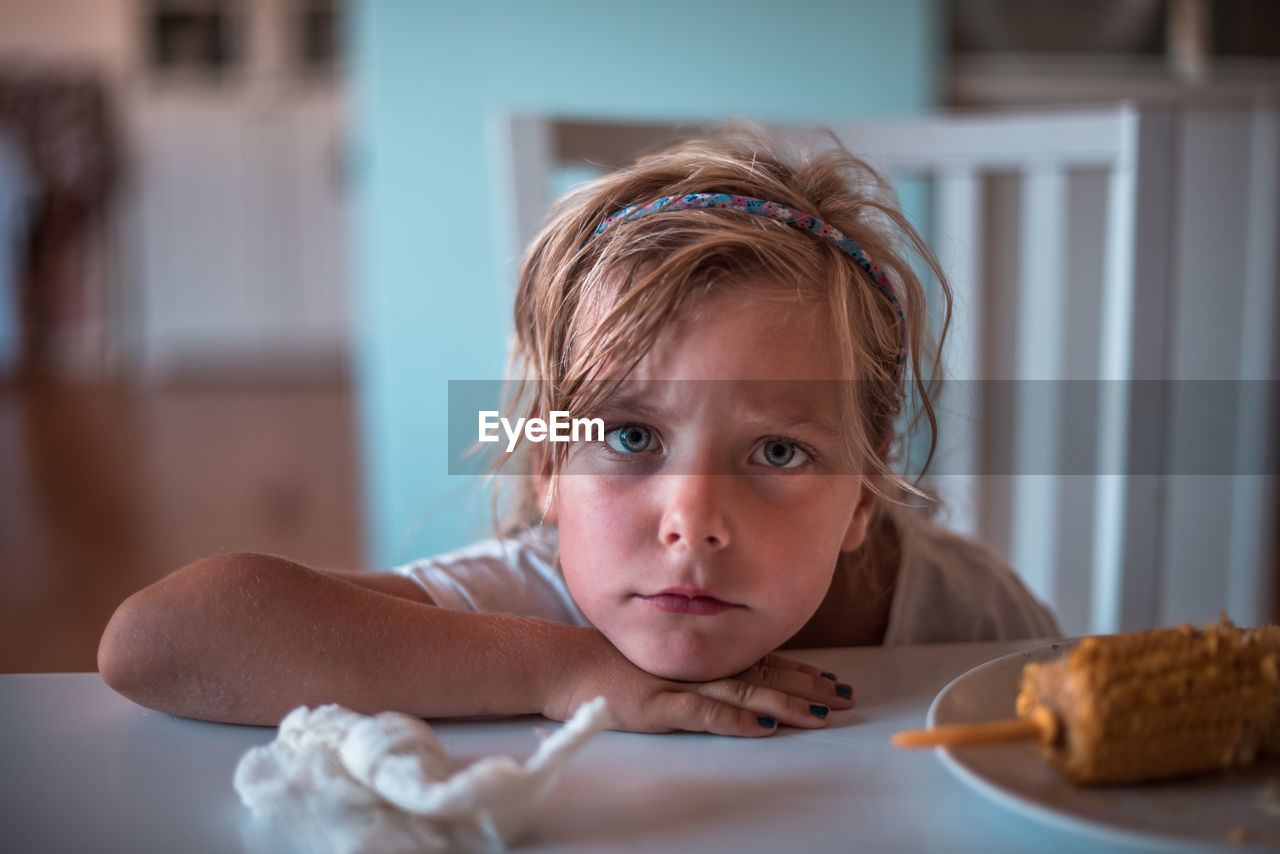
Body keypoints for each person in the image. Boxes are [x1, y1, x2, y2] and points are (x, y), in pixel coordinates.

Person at [98, 125, 1057, 735]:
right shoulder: (530, 598)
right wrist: (565, 670)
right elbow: (160, 639)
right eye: (632, 437)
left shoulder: (967, 617)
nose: (692, 523)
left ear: (865, 489)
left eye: (777, 451)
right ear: (549, 460)